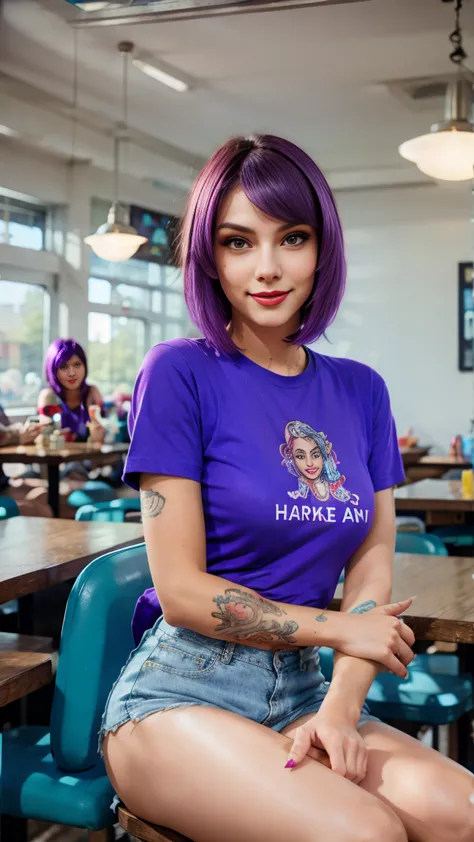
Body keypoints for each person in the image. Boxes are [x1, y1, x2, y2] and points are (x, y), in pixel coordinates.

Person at [100, 135, 474, 842]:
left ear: (321, 249)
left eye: (291, 238)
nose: (267, 269)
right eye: (239, 243)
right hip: (179, 693)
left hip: (305, 689)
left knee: (463, 816)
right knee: (364, 833)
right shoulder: (178, 373)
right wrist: (338, 627)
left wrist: (340, 705)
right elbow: (180, 590)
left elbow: (372, 559)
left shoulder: (362, 391)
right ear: (211, 258)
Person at [38, 338, 105, 444]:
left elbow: (105, 434)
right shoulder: (49, 396)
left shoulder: (92, 392)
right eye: (63, 367)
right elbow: (46, 438)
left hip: (92, 457)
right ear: (53, 370)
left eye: (77, 364)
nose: (72, 373)